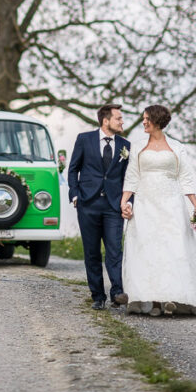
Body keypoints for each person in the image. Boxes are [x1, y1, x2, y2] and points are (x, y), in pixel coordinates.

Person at [121, 104, 196, 316]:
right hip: (146, 204)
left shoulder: (177, 147)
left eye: (147, 118)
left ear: (157, 120)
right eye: (143, 118)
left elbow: (185, 177)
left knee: (173, 247)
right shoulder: (137, 147)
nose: (143, 122)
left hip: (171, 203)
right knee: (148, 249)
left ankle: (172, 299)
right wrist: (124, 201)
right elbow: (132, 176)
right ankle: (155, 303)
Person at [68, 103, 130, 310]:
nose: (122, 122)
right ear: (106, 121)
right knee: (92, 252)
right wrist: (75, 195)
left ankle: (117, 293)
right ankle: (98, 296)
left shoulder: (125, 145)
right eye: (118, 118)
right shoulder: (84, 139)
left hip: (113, 206)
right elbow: (73, 169)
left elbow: (128, 177)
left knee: (114, 250)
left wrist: (128, 202)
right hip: (88, 204)